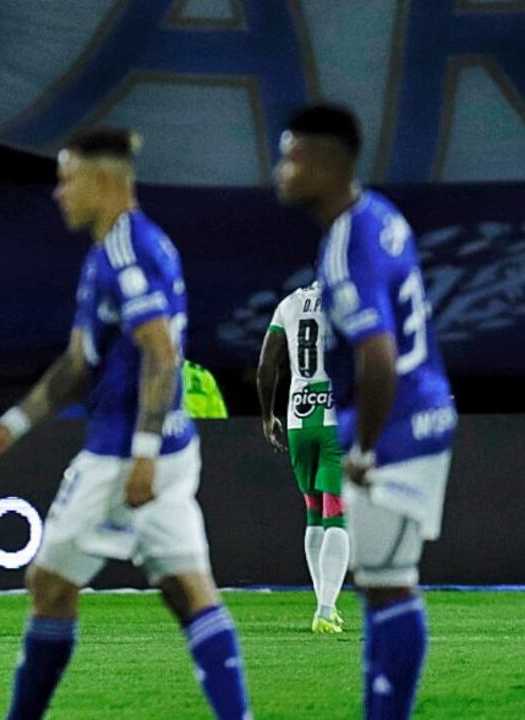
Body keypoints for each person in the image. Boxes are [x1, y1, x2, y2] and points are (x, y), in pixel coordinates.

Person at [0, 128, 251, 720]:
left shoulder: (127, 252)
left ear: (102, 179)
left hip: (124, 452)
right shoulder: (118, 251)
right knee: (185, 588)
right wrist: (15, 424)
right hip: (167, 445)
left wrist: (142, 453)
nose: (59, 193)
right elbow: (78, 363)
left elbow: (162, 354)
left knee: (48, 583)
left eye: (67, 178)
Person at [276, 104, 456, 720]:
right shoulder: (381, 216)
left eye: (291, 157)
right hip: (421, 413)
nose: (281, 172)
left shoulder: (344, 244)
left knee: (387, 589)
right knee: (386, 583)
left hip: (401, 424)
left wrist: (364, 449)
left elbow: (379, 360)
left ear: (328, 163)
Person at [257, 282, 349, 634]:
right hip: (334, 418)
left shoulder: (290, 303)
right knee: (337, 516)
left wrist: (268, 415)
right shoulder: (348, 298)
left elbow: (267, 366)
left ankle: (325, 603)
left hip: (299, 419)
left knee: (313, 513)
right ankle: (325, 610)